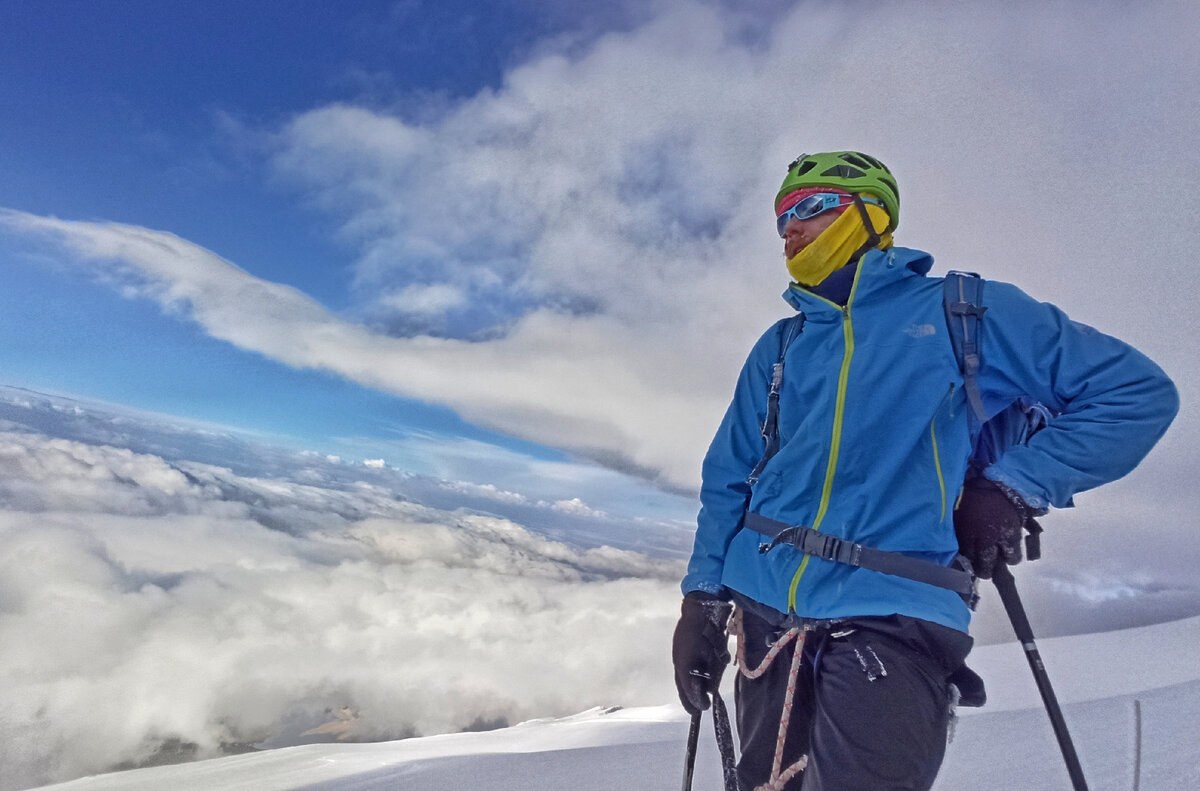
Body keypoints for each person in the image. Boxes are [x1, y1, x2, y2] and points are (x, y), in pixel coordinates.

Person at [671, 151, 1179, 791]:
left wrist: (1013, 487)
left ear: (872, 214)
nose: (790, 229)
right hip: (763, 610)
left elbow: (1135, 393)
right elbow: (730, 476)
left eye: (811, 207)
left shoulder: (961, 313)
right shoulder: (782, 344)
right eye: (781, 219)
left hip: (895, 609)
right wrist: (703, 600)